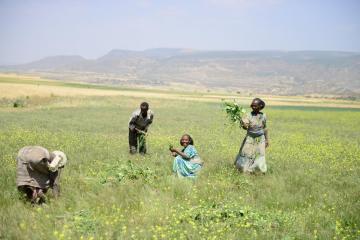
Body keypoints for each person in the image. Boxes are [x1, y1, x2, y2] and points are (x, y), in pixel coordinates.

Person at [234, 98, 269, 174]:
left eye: (255, 106)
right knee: (246, 154)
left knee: (260, 155)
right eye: (252, 105)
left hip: (260, 139)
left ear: (260, 107)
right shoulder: (248, 115)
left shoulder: (263, 116)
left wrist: (266, 139)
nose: (253, 107)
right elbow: (245, 127)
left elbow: (265, 128)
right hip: (250, 138)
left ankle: (257, 172)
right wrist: (242, 123)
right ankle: (244, 170)